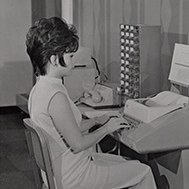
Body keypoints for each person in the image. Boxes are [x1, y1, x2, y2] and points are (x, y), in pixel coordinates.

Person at [26, 16, 157, 189]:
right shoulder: (55, 96)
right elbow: (78, 144)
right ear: (54, 59)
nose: (73, 62)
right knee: (143, 172)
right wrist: (107, 128)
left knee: (127, 162)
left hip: (60, 170)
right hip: (74, 176)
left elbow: (65, 130)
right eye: (71, 56)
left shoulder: (40, 89)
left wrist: (97, 120)